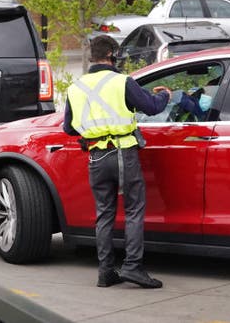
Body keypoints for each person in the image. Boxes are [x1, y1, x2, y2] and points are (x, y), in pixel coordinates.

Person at [63, 34, 171, 289]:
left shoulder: (76, 88)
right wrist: (166, 95)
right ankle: (133, 267)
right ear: (112, 54)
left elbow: (68, 128)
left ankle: (105, 272)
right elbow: (152, 107)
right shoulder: (122, 82)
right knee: (133, 210)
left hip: (96, 157)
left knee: (104, 214)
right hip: (124, 153)